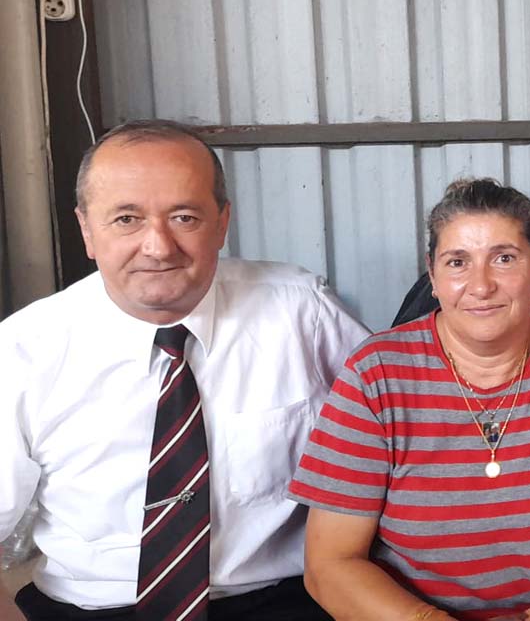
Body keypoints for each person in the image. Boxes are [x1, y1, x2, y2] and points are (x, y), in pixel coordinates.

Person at [0, 120, 370, 620]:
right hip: (93, 608)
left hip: (275, 601)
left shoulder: (301, 313)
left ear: (222, 222)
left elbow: (403, 436)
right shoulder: (24, 350)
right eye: (126, 219)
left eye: (184, 217)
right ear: (87, 230)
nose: (158, 247)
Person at [288, 178, 530, 621]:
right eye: (457, 262)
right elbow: (330, 564)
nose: (481, 285)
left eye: (504, 258)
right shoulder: (376, 374)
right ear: (432, 276)